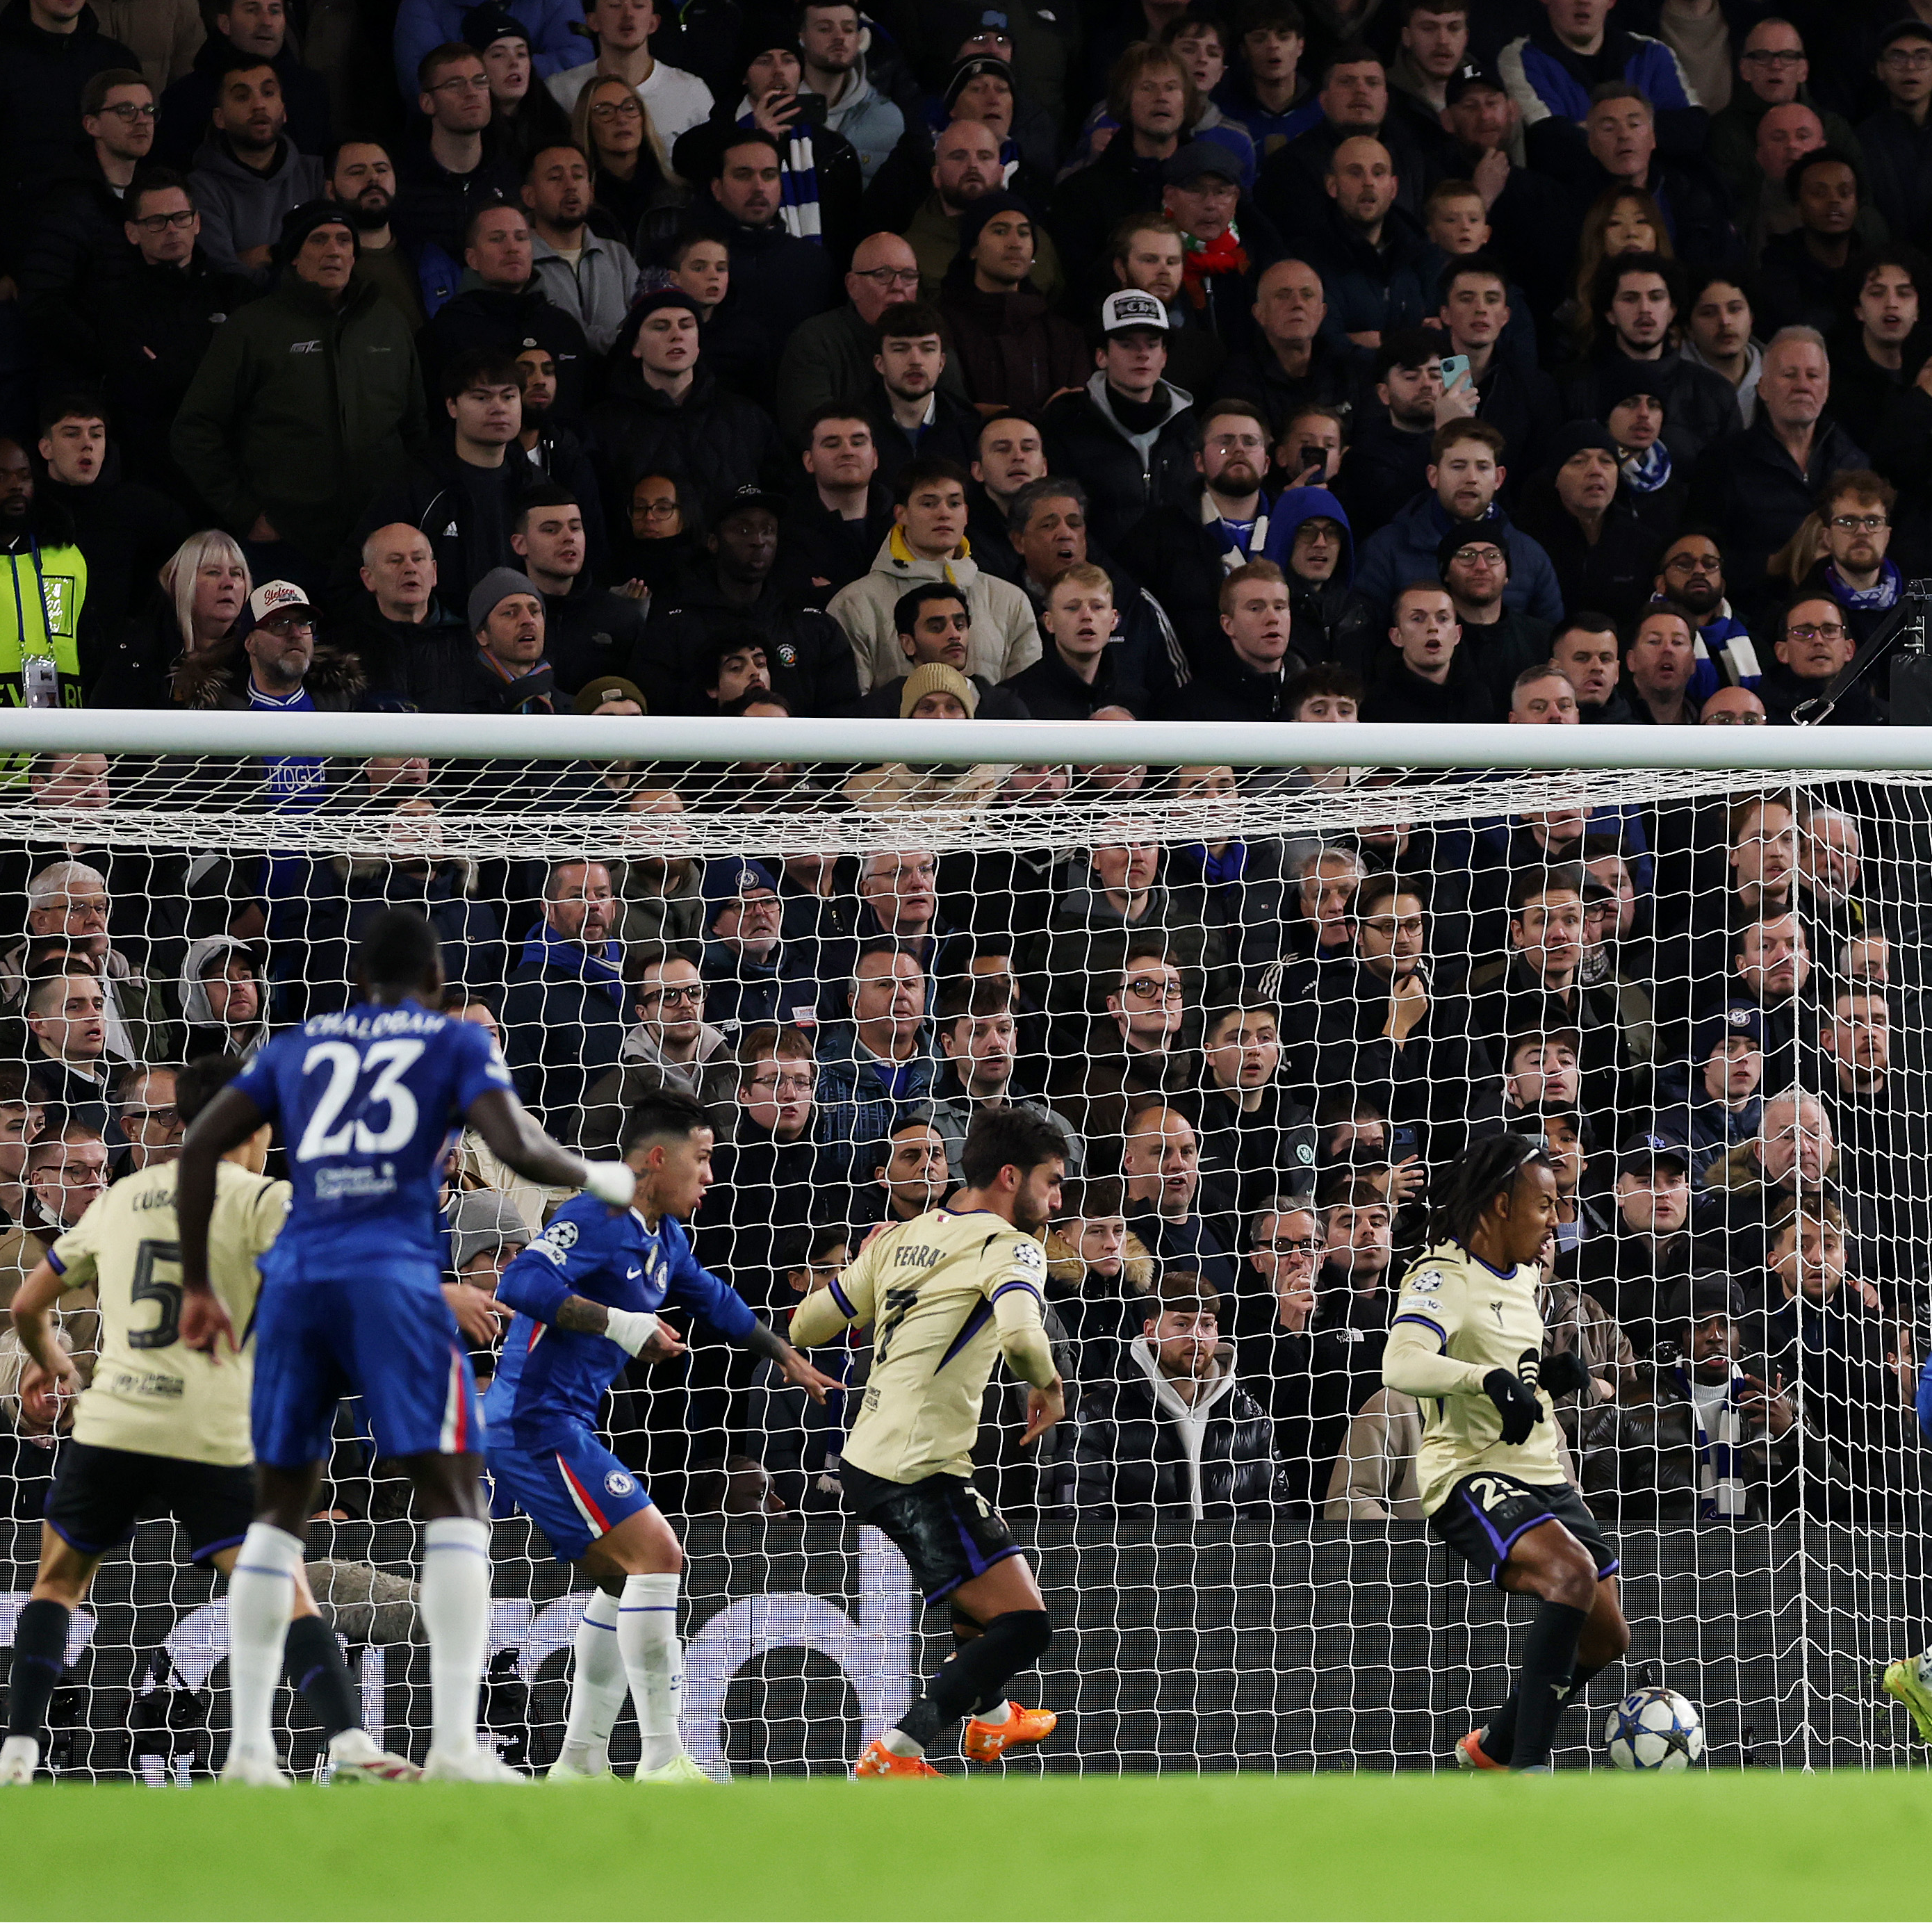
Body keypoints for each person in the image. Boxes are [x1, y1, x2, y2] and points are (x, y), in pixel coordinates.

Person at [172, 910, 641, 1782]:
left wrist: (201, 1283)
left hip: (300, 1280)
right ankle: (458, 1747)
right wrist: (596, 1175)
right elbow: (514, 1142)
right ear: (431, 985)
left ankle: (246, 1752)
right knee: (457, 1494)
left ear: (356, 982)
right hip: (391, 1280)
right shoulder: (448, 1042)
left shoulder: (298, 1045)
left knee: (275, 1514)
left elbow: (198, 1144)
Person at [0, 1052, 423, 1787]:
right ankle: (349, 1737)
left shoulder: (122, 1199)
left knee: (57, 1585)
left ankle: (18, 1748)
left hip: (116, 1423)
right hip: (208, 1429)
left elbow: (27, 1306)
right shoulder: (263, 1198)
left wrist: (54, 1363)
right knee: (282, 1585)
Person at [484, 1087, 836, 1782]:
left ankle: (581, 1761)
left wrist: (786, 1353)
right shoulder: (598, 1213)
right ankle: (660, 1756)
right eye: (700, 1158)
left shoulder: (663, 1237)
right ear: (654, 1158)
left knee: (623, 1582)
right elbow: (521, 1280)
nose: (711, 1173)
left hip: (557, 1425)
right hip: (531, 1425)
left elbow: (714, 1299)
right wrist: (622, 1324)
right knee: (658, 1554)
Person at [789, 1104, 1067, 1778]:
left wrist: (873, 1269)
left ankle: (992, 1718)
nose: (1057, 1200)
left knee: (982, 1592)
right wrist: (1048, 1384)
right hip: (916, 1467)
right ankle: (898, 1749)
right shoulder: (1010, 1245)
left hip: (872, 1454)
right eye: (1052, 1182)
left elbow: (804, 1324)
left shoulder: (899, 1237)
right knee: (1025, 1625)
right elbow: (1026, 1336)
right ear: (1009, 1176)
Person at [1382, 1133, 1630, 1772]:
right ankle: (1528, 1772)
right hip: (1470, 1471)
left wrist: (1549, 1376)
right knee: (1568, 1579)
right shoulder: (1440, 1274)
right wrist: (1483, 1381)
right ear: (1500, 1204)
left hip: (1541, 1470)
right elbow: (1401, 1361)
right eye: (1545, 1204)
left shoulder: (1521, 1277)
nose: (1556, 1220)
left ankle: (1492, 1748)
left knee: (1608, 1635)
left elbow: (1509, 1371)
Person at [172, 201, 425, 566]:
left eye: (343, 240)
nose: (334, 251)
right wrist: (245, 512)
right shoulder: (252, 327)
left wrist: (405, 505)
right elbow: (195, 429)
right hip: (286, 541)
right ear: (293, 255)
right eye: (319, 240)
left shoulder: (387, 321)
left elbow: (415, 424)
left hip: (378, 538)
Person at [1040, 288, 1199, 552]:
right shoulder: (1066, 423)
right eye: (1127, 344)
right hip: (1095, 582)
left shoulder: (1186, 426)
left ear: (1164, 357)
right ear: (1101, 356)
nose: (1142, 354)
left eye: (1152, 344)